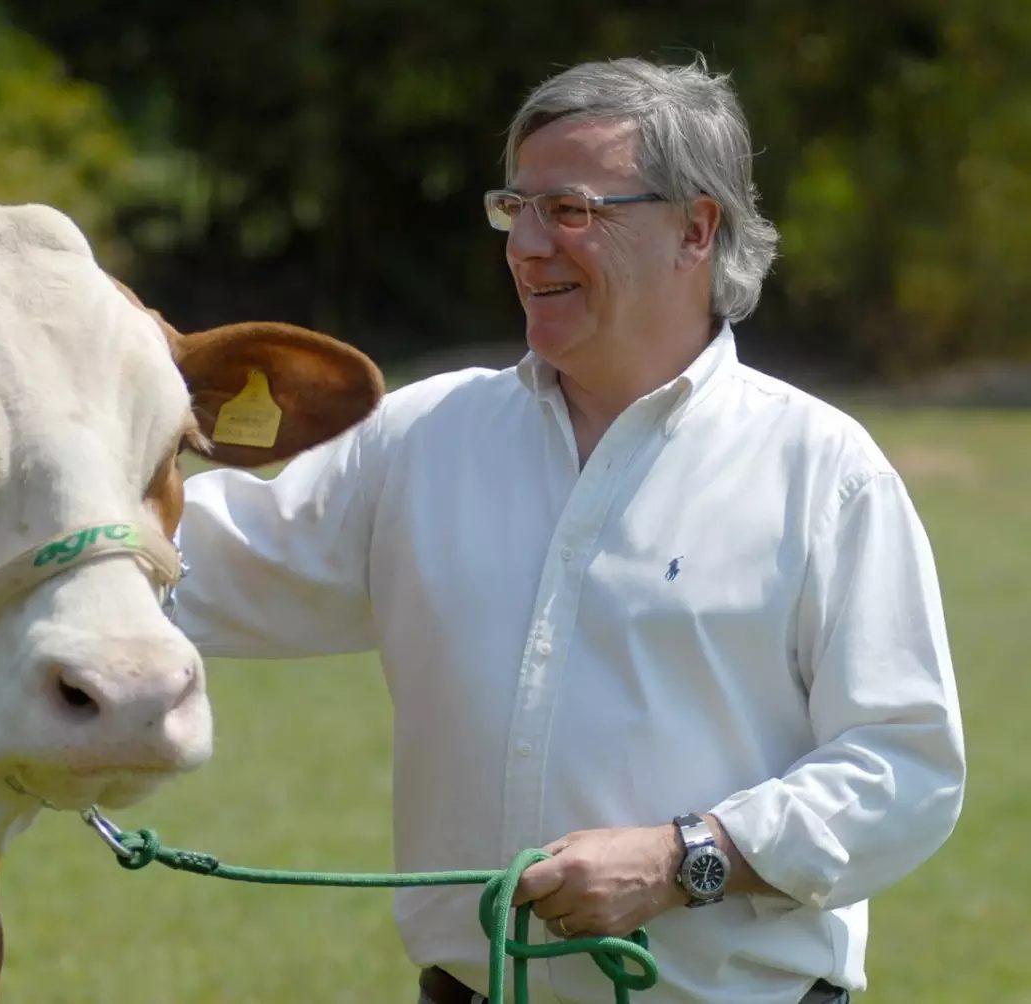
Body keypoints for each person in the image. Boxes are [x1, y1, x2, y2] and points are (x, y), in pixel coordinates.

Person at [172, 56, 965, 1004]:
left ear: (695, 228)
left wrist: (684, 860)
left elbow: (904, 767)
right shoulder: (421, 437)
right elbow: (181, 565)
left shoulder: (823, 470)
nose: (528, 246)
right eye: (516, 209)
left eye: (573, 211)